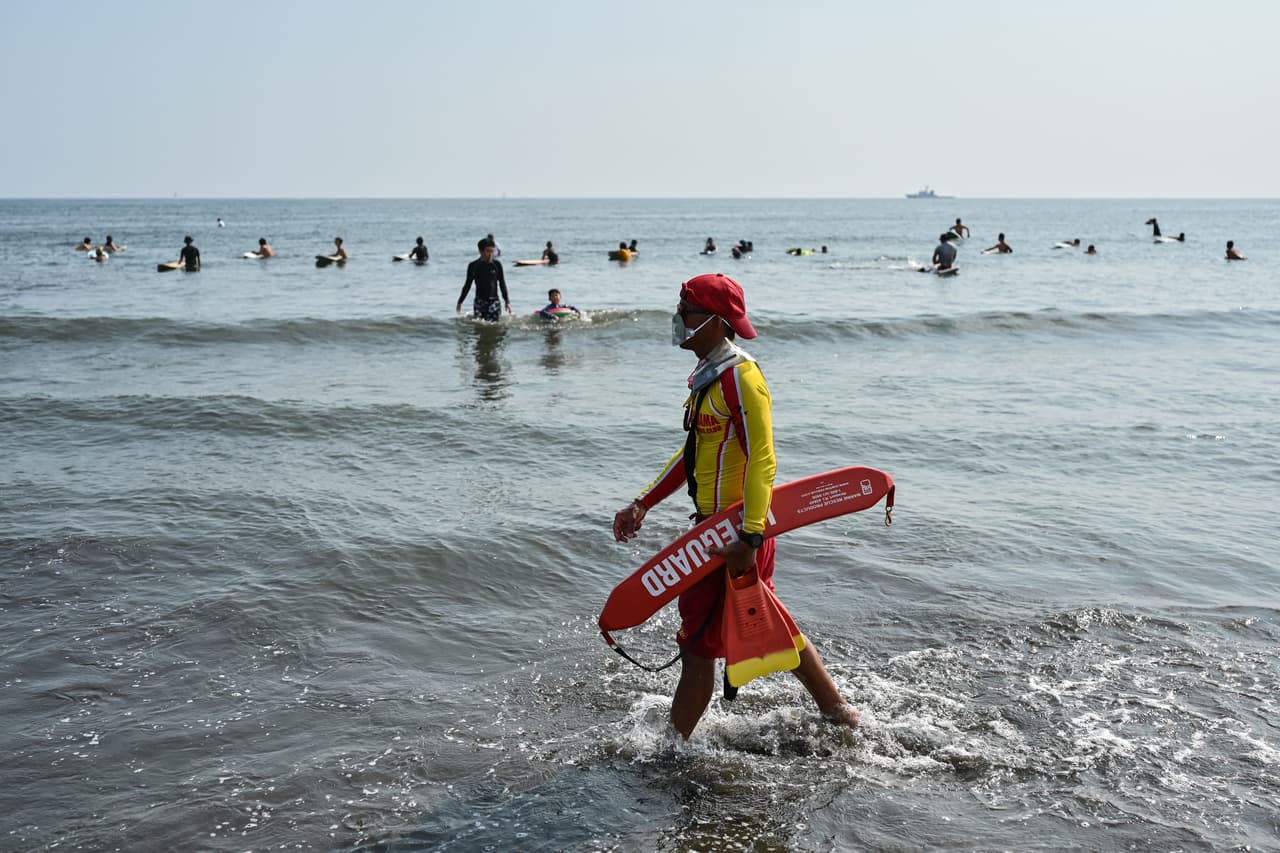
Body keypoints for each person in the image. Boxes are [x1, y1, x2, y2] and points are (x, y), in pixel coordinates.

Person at [611, 273, 860, 740]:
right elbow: (693, 455)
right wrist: (643, 502)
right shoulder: (708, 377)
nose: (678, 317)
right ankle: (838, 711)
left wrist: (749, 536)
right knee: (769, 623)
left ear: (714, 320)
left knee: (698, 647)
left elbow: (764, 457)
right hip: (717, 532)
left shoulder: (741, 377)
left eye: (685, 309)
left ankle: (671, 749)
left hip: (730, 538)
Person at [457, 238, 511, 321]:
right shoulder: (473, 266)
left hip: (494, 302)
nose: (490, 254)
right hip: (479, 302)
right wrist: (460, 302)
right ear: (480, 251)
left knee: (494, 326)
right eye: (487, 251)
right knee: (479, 326)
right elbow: (467, 285)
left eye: (492, 251)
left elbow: (502, 283)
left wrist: (507, 301)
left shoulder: (497, 265)